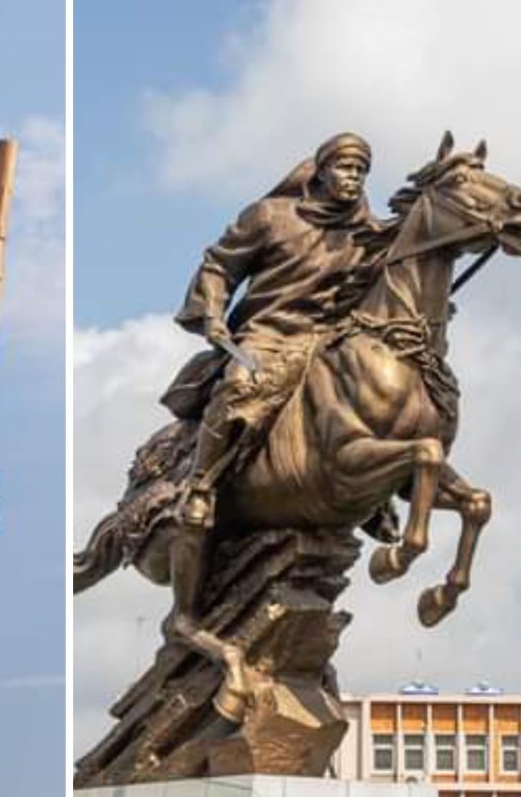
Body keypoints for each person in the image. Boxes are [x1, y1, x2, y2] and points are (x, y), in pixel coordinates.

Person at [158, 133, 393, 685]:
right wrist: (212, 312)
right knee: (241, 389)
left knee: (381, 397)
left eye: (361, 170)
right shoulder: (271, 217)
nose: (353, 178)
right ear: (321, 169)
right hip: (269, 337)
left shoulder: (367, 232)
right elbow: (219, 266)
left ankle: (379, 494)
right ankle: (203, 483)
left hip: (328, 342)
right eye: (345, 167)